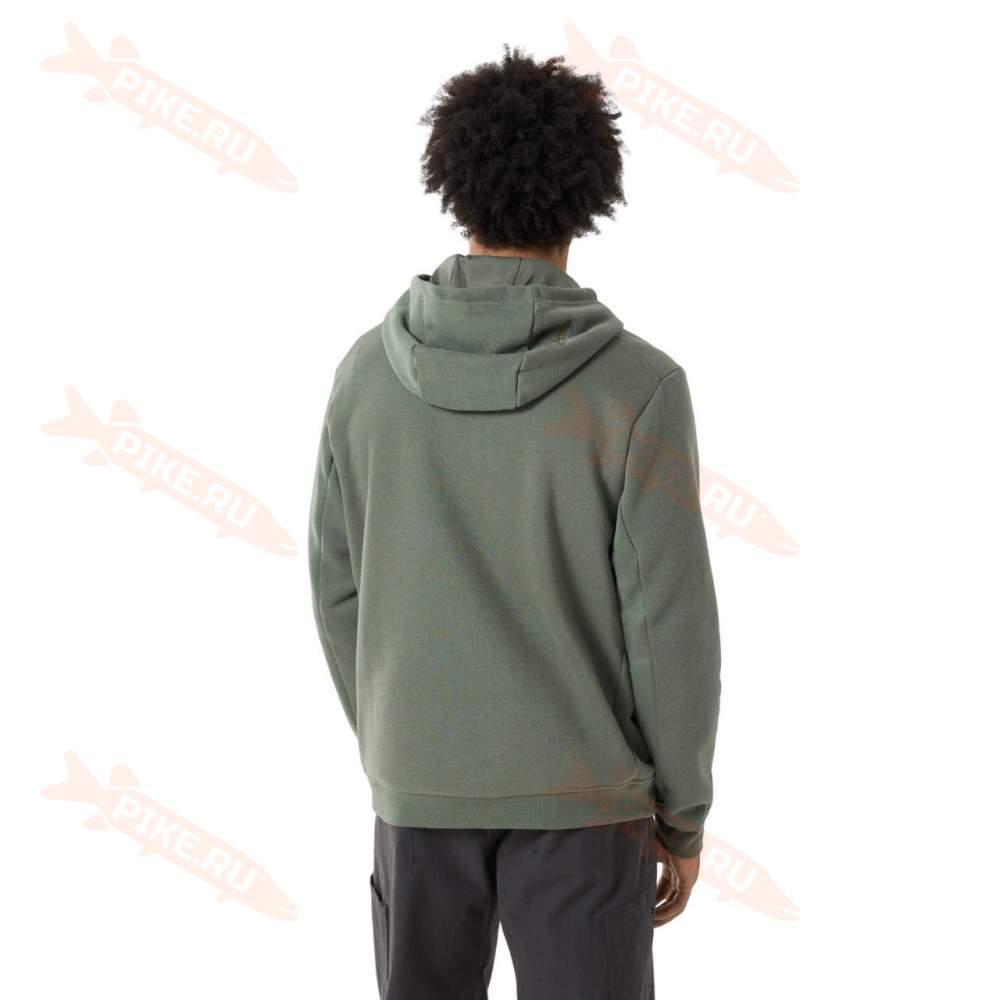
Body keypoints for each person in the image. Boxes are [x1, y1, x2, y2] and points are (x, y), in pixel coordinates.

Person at [309, 45, 721, 1000]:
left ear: (455, 186)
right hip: (587, 803)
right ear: (587, 200)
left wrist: (402, 742)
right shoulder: (637, 388)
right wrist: (683, 814)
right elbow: (668, 626)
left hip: (418, 789)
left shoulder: (366, 376)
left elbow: (338, 591)